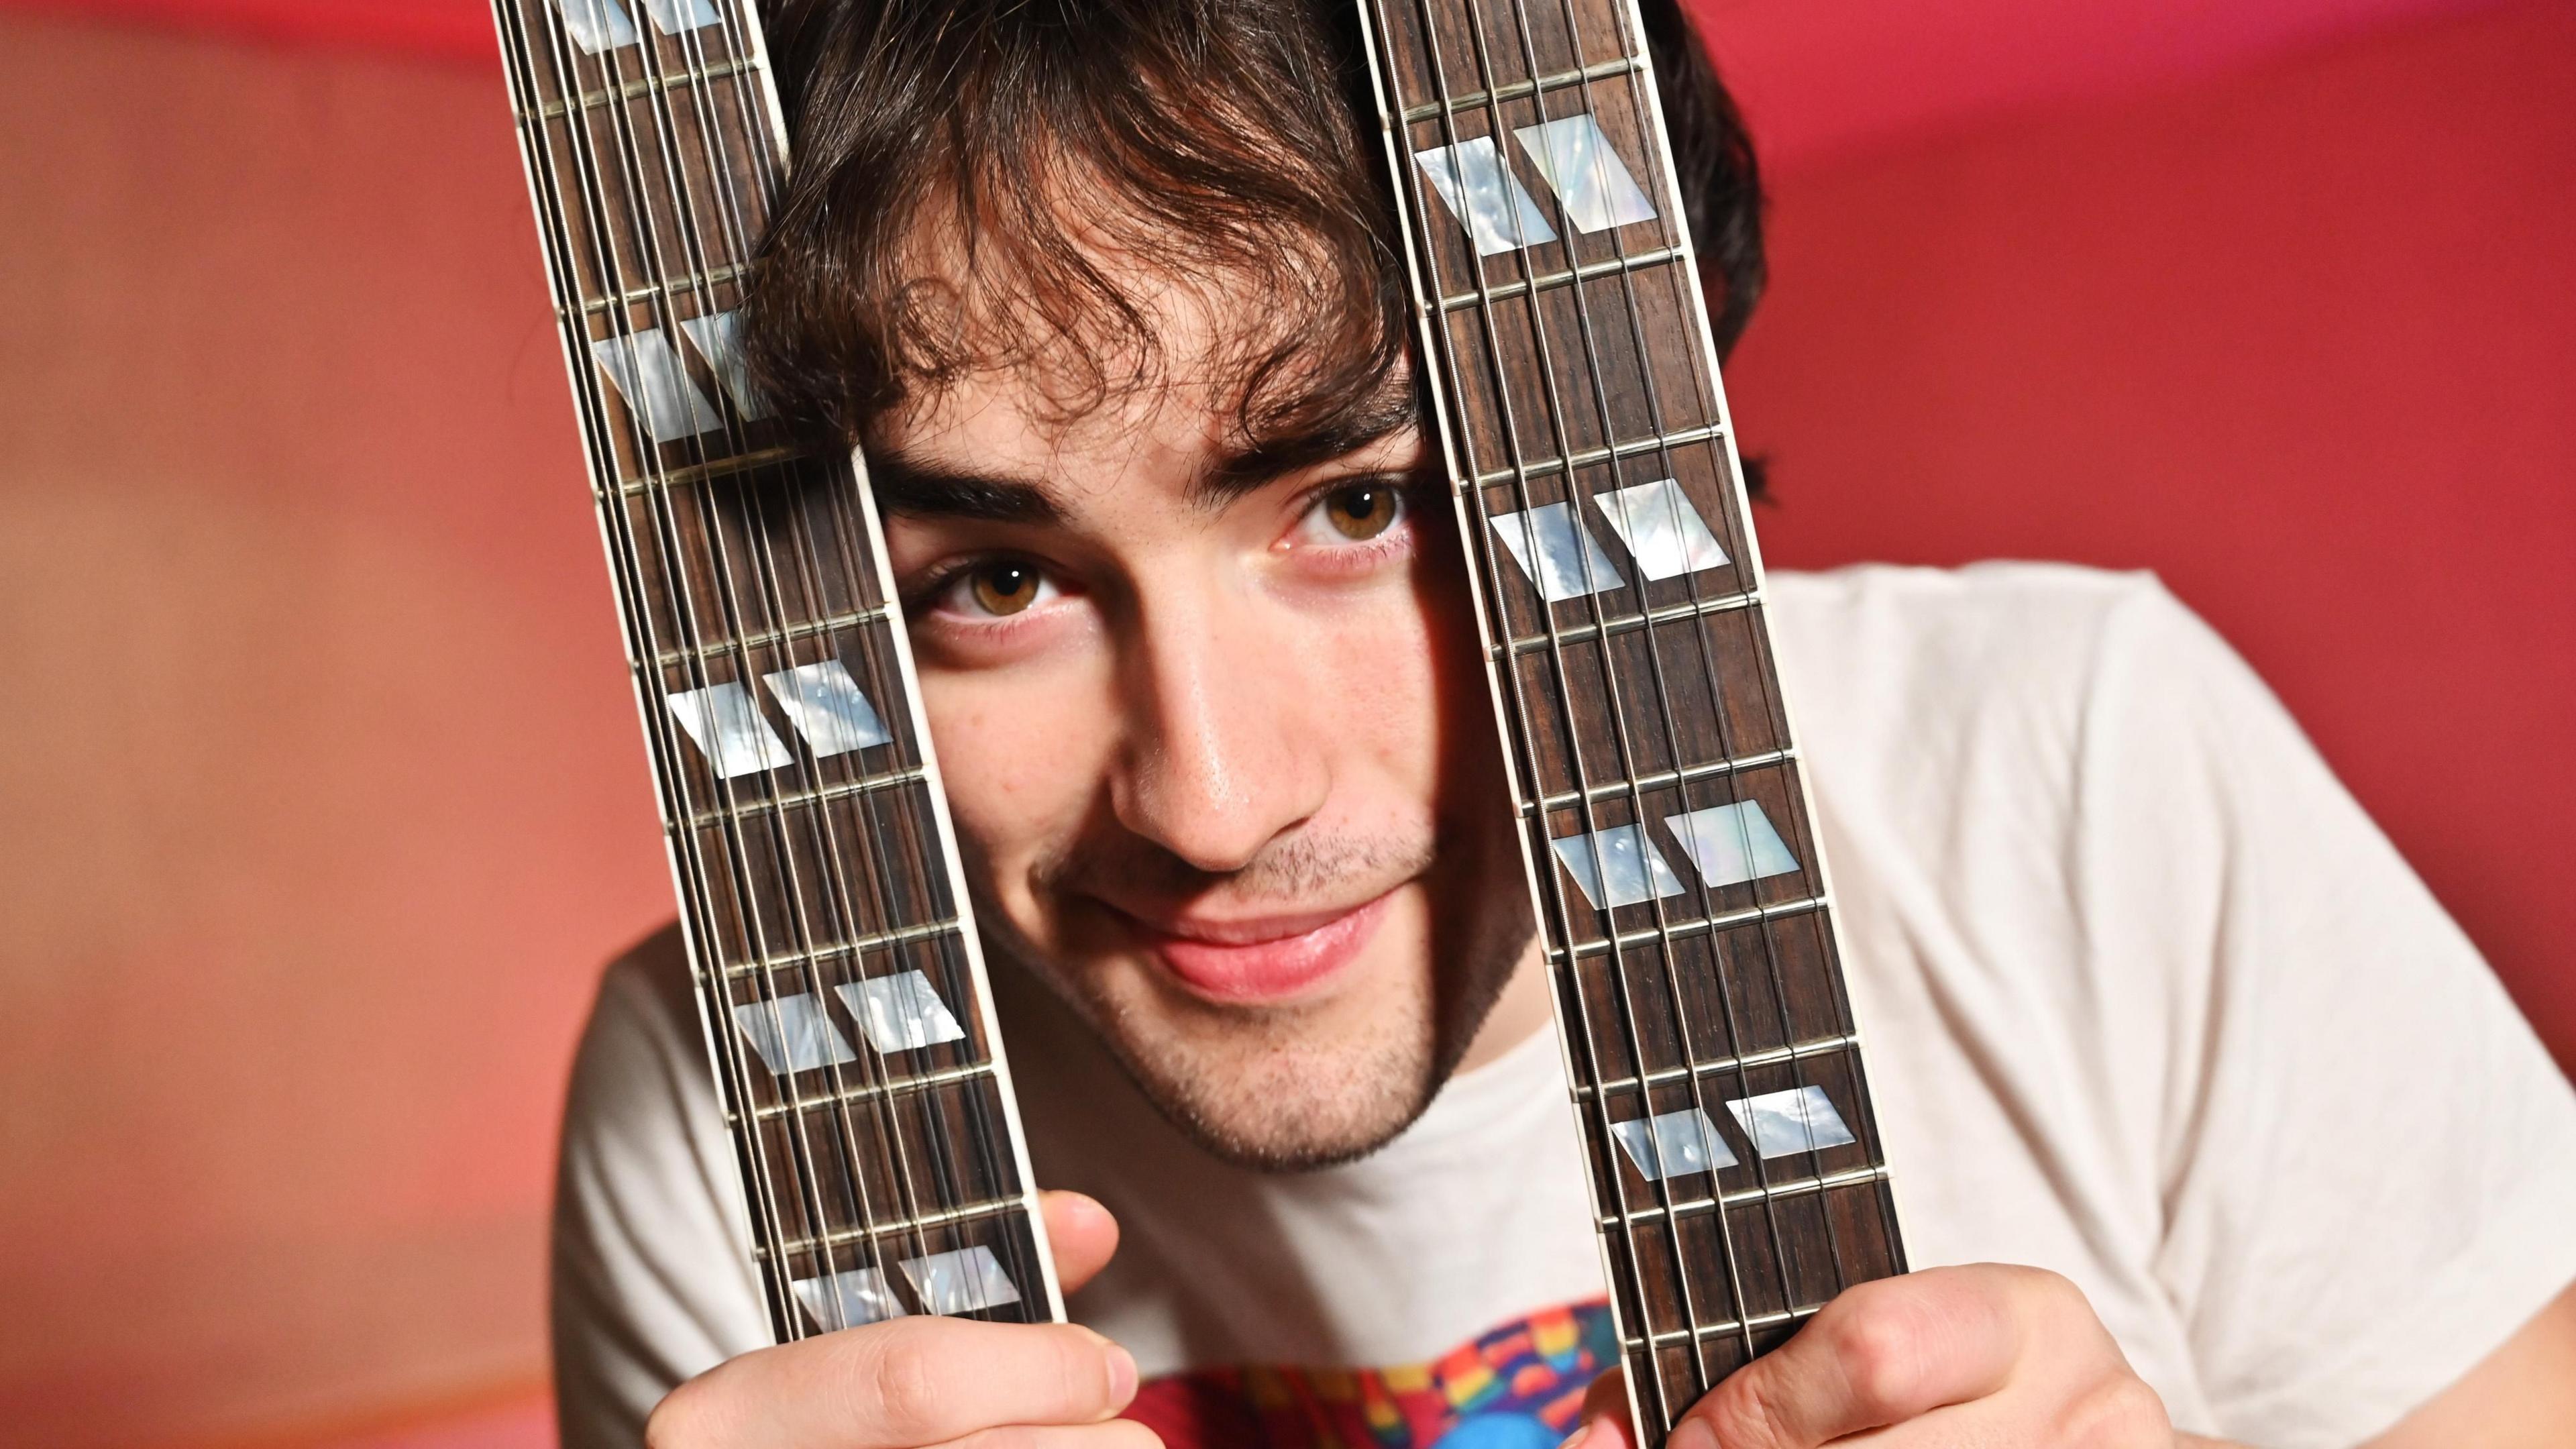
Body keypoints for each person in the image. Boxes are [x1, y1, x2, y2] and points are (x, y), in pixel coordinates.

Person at [547, 0, 2576, 1445]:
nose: (1217, 799)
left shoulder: (2071, 765)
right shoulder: (709, 1097)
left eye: (1361, 506)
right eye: (998, 581)